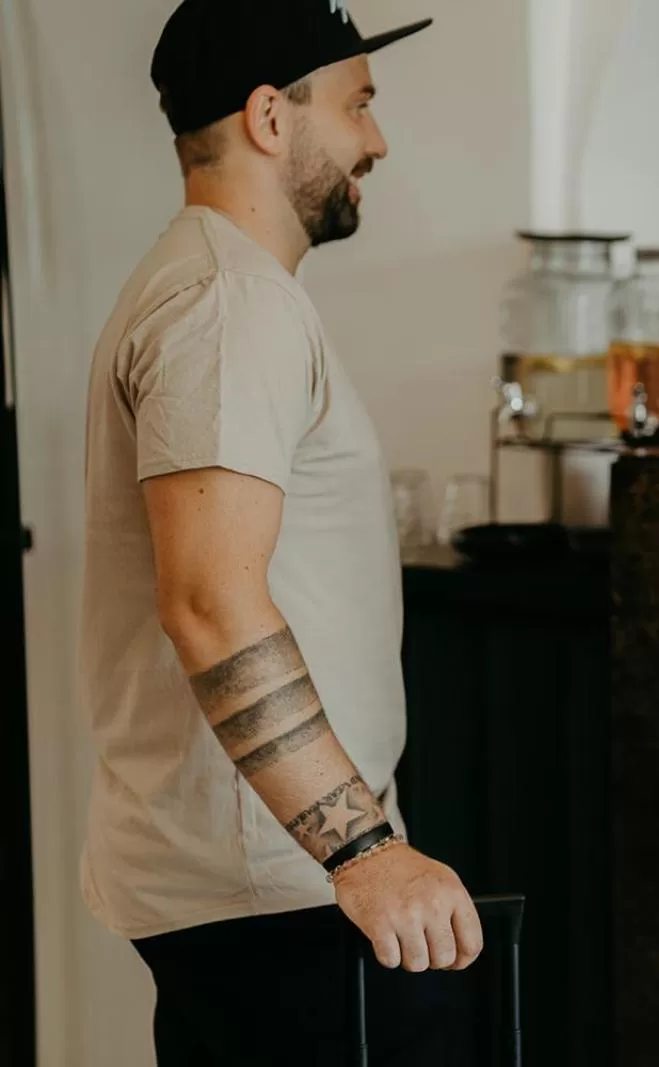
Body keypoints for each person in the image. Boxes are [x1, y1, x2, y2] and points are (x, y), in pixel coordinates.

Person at [78, 2, 480, 1063]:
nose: (377, 142)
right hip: (279, 891)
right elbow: (209, 599)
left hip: (273, 879)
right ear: (269, 116)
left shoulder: (230, 293)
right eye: (357, 107)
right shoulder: (226, 308)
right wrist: (364, 848)